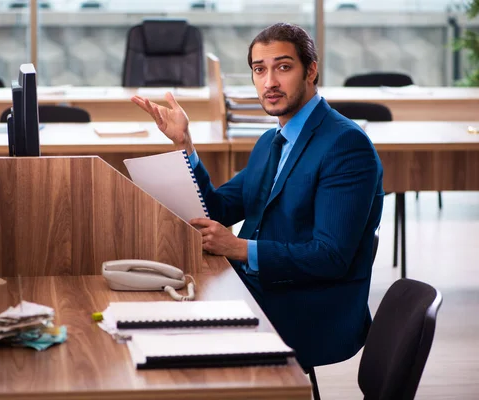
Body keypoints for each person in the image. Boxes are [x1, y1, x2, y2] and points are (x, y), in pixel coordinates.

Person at [131, 22, 384, 370]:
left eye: (283, 67)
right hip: (255, 287)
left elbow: (331, 257)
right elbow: (219, 208)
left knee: (176, 348)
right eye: (259, 70)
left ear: (311, 70)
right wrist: (184, 145)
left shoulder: (345, 145)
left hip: (306, 308)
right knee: (152, 325)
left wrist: (236, 248)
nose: (270, 83)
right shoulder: (271, 142)